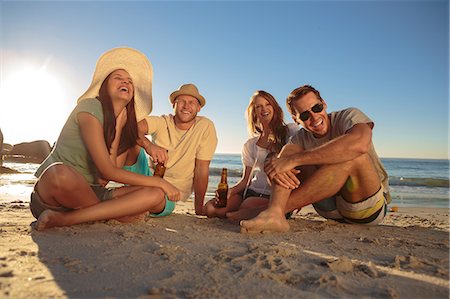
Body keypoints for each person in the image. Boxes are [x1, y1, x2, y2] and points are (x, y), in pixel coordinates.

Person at [30, 47, 180, 231]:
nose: (125, 81)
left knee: (155, 195)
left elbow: (103, 179)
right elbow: (107, 171)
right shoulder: (89, 108)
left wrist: (118, 126)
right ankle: (111, 215)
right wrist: (160, 181)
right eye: (118, 77)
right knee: (60, 174)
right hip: (56, 192)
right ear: (104, 86)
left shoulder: (116, 125)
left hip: (93, 192)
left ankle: (67, 219)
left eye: (130, 81)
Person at [240, 85, 390, 233]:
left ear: (324, 104)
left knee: (353, 156)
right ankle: (274, 213)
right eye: (304, 115)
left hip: (365, 208)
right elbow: (279, 168)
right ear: (296, 119)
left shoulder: (348, 116)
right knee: (286, 157)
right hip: (329, 209)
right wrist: (278, 165)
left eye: (317, 108)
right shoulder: (298, 138)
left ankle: (273, 211)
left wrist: (294, 160)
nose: (314, 117)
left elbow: (360, 144)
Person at [203, 90, 297, 220]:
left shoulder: (290, 131)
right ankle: (237, 214)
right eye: (258, 106)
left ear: (274, 107)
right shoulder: (250, 144)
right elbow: (246, 180)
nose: (264, 109)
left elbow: (301, 159)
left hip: (274, 196)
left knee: (247, 206)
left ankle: (243, 213)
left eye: (267, 104)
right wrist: (230, 192)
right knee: (210, 208)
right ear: (254, 112)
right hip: (249, 192)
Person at [136, 83, 218, 215]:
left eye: (192, 102)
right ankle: (105, 184)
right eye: (182, 101)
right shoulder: (162, 122)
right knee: (131, 141)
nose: (186, 106)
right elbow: (131, 128)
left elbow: (202, 169)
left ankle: (126, 201)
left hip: (171, 192)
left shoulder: (205, 127)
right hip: (147, 179)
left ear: (198, 108)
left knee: (152, 199)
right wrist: (149, 145)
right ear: (174, 104)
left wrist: (199, 208)